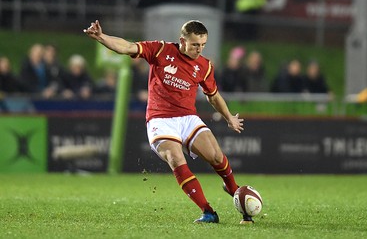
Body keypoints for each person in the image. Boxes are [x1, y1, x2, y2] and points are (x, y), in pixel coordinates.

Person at [84, 20, 251, 224]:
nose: (199, 49)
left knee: (216, 156)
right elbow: (127, 47)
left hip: (188, 118)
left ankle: (234, 190)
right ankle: (208, 211)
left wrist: (229, 118)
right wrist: (102, 37)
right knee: (175, 158)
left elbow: (213, 96)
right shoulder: (160, 50)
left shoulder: (205, 66)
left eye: (203, 45)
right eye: (195, 45)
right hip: (160, 120)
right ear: (182, 40)